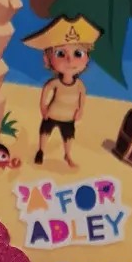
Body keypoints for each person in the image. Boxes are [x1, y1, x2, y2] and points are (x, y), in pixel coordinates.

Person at [22, 16, 100, 169]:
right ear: (48, 59)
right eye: (60, 54)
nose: (70, 60)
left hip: (69, 117)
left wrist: (80, 110)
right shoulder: (56, 83)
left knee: (68, 137)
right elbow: (46, 90)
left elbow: (82, 97)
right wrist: (43, 107)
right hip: (52, 114)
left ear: (87, 58)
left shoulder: (79, 85)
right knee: (45, 133)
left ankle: (67, 154)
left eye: (78, 54)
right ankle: (41, 151)